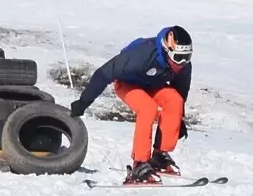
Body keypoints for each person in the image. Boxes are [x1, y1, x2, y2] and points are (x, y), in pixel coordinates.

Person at [69, 25, 193, 184]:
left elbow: (180, 90)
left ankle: (160, 155)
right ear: (167, 50)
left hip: (154, 84)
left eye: (187, 57)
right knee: (148, 108)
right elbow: (104, 73)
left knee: (175, 101)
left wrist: (177, 119)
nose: (182, 63)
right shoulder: (142, 55)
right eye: (178, 57)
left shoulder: (182, 66)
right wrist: (84, 102)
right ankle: (139, 164)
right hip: (127, 84)